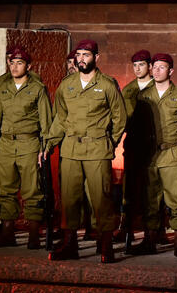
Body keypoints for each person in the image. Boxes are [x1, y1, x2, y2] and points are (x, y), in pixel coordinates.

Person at [45, 39, 127, 262]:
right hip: (71, 148)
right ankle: (70, 244)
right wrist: (50, 142)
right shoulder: (67, 85)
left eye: (86, 55)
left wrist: (110, 142)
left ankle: (106, 244)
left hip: (97, 148)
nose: (81, 59)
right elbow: (60, 117)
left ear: (96, 58)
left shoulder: (107, 85)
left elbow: (120, 118)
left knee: (102, 197)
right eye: (78, 55)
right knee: (69, 198)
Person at [0, 46, 52, 249]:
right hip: (6, 145)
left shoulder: (37, 89)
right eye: (12, 62)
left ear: (28, 66)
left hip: (29, 144)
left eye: (19, 63)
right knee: (5, 191)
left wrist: (45, 148)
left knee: (32, 191)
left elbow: (46, 121)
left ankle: (34, 234)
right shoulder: (2, 89)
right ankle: (7, 231)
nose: (14, 66)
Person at [133, 53, 177, 256]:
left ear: (171, 71)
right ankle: (149, 240)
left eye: (162, 67)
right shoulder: (144, 95)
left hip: (173, 153)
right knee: (151, 199)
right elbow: (138, 129)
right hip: (150, 155)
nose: (157, 70)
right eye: (155, 67)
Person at [119, 50, 156, 248]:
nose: (137, 69)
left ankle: (153, 230)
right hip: (132, 144)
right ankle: (127, 227)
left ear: (149, 66)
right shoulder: (128, 90)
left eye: (141, 65)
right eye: (135, 65)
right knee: (129, 188)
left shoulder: (156, 86)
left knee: (152, 188)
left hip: (152, 145)